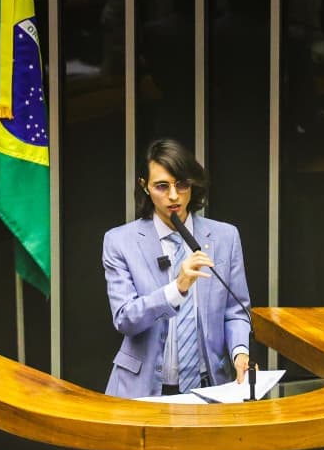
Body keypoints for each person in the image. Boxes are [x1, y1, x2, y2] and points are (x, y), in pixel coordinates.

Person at [102, 139, 251, 399]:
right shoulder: (119, 241)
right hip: (142, 391)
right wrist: (176, 288)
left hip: (209, 387)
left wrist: (240, 351)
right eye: (162, 186)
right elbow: (125, 319)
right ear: (144, 187)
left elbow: (236, 311)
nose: (173, 196)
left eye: (181, 184)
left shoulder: (225, 237)